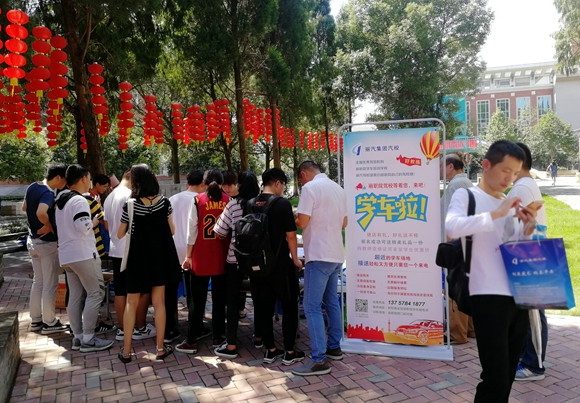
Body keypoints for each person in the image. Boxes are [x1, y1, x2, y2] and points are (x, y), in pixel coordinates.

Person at [446, 140, 537, 402]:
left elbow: (512, 246)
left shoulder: (508, 202)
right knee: (495, 375)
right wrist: (496, 214)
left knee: (507, 373)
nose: (510, 178)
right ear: (486, 165)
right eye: (505, 170)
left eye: (515, 173)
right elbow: (452, 228)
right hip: (487, 295)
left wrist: (527, 229)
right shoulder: (468, 196)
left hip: (518, 295)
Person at [117, 164, 180, 362]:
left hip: (137, 259)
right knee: (159, 302)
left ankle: (127, 351)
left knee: (131, 302)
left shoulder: (130, 204)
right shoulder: (164, 203)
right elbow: (172, 230)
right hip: (159, 258)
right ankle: (160, 348)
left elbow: (120, 233)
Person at [292, 161, 347, 376]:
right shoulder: (338, 189)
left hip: (318, 254)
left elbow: (302, 222)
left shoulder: (310, 188)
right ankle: (334, 347)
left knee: (311, 306)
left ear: (304, 173)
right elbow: (344, 223)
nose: (301, 182)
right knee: (331, 302)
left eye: (300, 178)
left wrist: (292, 217)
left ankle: (319, 360)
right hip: (335, 254)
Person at [55, 164, 113, 353]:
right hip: (83, 253)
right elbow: (84, 227)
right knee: (96, 293)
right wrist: (95, 219)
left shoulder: (61, 200)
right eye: (89, 178)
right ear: (83, 179)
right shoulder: (79, 201)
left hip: (67, 255)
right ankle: (88, 338)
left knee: (75, 295)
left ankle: (78, 337)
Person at [248, 168, 304, 365]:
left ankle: (270, 349)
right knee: (289, 306)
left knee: (263, 308)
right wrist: (295, 259)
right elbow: (291, 235)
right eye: (283, 185)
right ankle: (289, 351)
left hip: (257, 265)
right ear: (278, 183)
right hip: (280, 264)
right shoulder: (282, 204)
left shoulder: (250, 203)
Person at [176, 170, 229, 354]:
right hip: (222, 256)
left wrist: (188, 256)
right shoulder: (229, 201)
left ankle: (191, 339)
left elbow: (192, 231)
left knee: (197, 301)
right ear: (222, 183)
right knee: (219, 299)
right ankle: (218, 336)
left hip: (201, 255)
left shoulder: (198, 200)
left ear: (204, 183)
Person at [509, 143, 549, 381]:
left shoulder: (523, 188)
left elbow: (519, 227)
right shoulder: (525, 185)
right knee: (530, 314)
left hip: (527, 256)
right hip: (530, 254)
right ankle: (530, 359)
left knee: (533, 316)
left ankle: (534, 366)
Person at [212, 171, 260, 359]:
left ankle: (231, 343)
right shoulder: (262, 204)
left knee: (232, 301)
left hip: (235, 258)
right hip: (259, 260)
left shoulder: (233, 205)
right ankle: (259, 337)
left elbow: (219, 232)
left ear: (239, 185)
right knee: (259, 298)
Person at [103, 170, 156, 342]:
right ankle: (139, 327)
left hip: (115, 249)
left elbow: (107, 225)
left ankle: (122, 329)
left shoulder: (110, 196)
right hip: (132, 249)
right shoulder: (130, 196)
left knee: (120, 291)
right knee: (142, 291)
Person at [23, 163, 69, 334]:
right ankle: (50, 322)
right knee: (50, 284)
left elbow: (24, 207)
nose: (65, 183)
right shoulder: (48, 193)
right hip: (47, 244)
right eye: (64, 179)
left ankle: (36, 320)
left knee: (38, 282)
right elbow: (41, 212)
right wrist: (48, 224)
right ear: (58, 177)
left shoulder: (32, 187)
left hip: (32, 242)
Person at [166, 169, 205, 343]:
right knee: (194, 291)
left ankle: (170, 327)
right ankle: (195, 326)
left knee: (171, 290)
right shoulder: (201, 200)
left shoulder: (172, 199)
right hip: (192, 250)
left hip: (173, 249)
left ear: (187, 182)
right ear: (203, 184)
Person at [440, 154, 474, 345]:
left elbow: (450, 218)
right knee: (467, 285)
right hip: (467, 240)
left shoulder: (455, 186)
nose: (439, 170)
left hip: (456, 243)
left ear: (451, 166)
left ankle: (457, 333)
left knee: (455, 287)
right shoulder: (467, 183)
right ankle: (470, 329)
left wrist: (448, 245)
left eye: (441, 166)